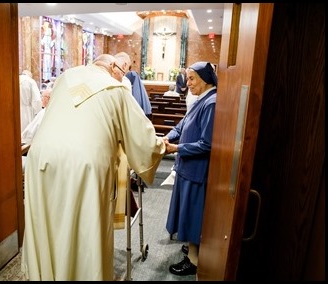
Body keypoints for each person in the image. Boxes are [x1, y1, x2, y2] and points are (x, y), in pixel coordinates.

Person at [21, 54, 166, 281]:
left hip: (40, 156)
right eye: (123, 68)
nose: (123, 74)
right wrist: (162, 146)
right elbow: (143, 140)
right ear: (111, 66)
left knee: (49, 217)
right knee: (84, 224)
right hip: (85, 164)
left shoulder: (66, 78)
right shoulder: (115, 89)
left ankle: (49, 274)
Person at [164, 61, 218, 276]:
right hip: (187, 167)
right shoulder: (201, 99)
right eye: (187, 78)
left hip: (197, 170)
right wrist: (168, 136)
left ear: (205, 79)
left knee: (193, 214)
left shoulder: (211, 102)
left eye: (192, 78)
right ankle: (191, 248)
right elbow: (183, 124)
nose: (188, 83)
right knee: (186, 211)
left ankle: (193, 261)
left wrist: (176, 147)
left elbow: (207, 144)